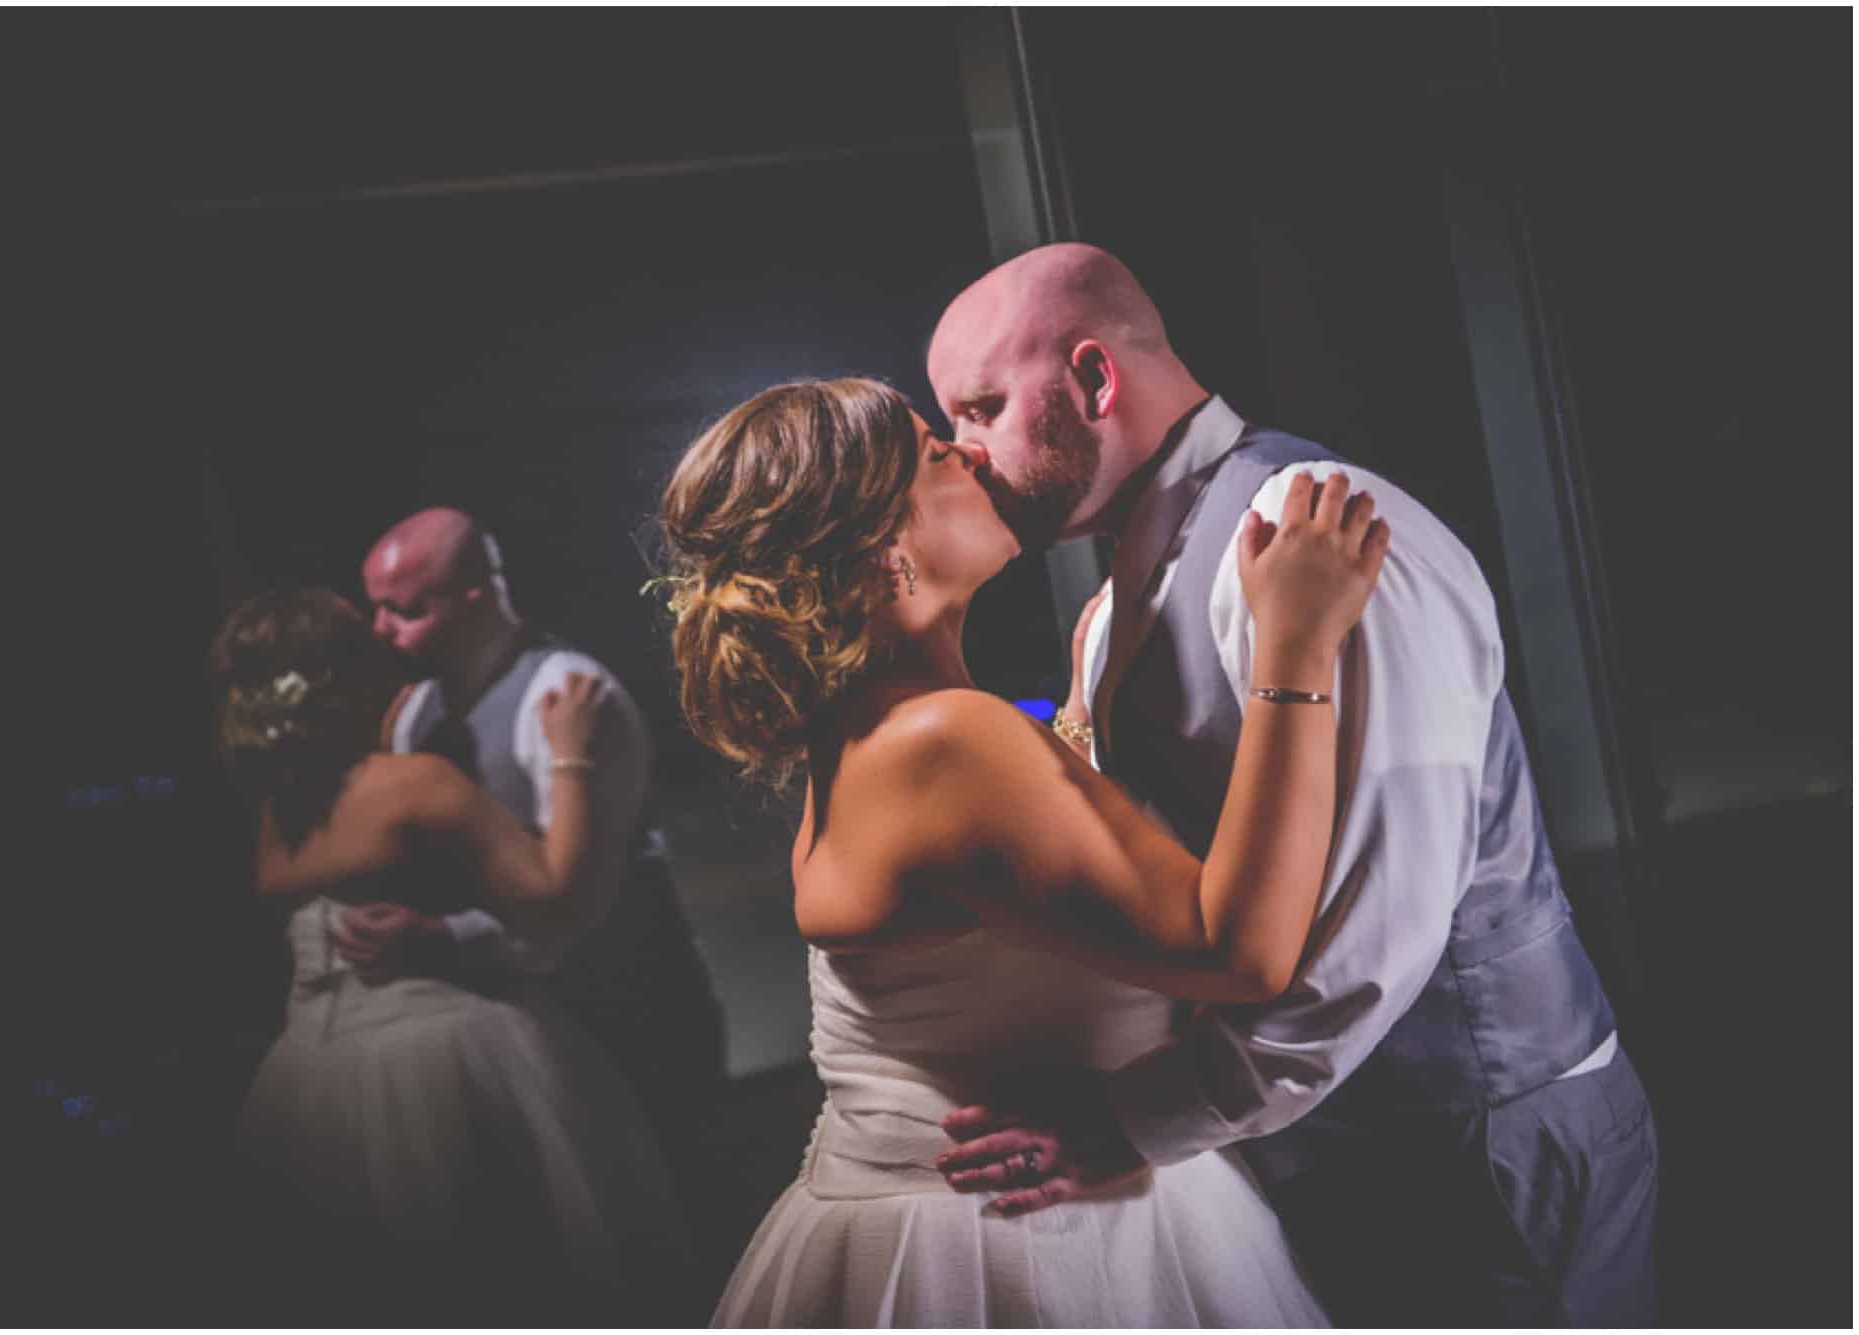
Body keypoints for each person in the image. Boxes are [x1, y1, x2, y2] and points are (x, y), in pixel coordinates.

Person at [924, 243, 1658, 1326]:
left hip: (1476, 1142)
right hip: (1330, 1149)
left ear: (1091, 379)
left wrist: (1135, 1122)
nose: (966, 453)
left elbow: (1378, 932)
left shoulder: (1327, 530)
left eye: (982, 407)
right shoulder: (1121, 591)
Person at [657, 376, 1386, 1326]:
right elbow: (1236, 949)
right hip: (1024, 1247)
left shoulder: (872, 733)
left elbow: (1010, 892)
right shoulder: (947, 741)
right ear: (885, 549)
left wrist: (1078, 716)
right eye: (932, 456)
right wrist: (1295, 647)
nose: (967, 456)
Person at [217, 588, 691, 1326]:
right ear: (344, 675)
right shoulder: (411, 784)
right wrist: (568, 752)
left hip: (307, 1069)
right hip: (443, 1052)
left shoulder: (279, 806)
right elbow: (552, 887)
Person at [346, 507, 726, 1207]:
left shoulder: (568, 694)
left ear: (477, 596)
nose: (380, 630)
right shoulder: (414, 711)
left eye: (404, 610)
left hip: (629, 1014)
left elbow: (586, 901)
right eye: (376, 609)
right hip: (514, 1032)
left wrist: (437, 938)